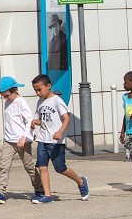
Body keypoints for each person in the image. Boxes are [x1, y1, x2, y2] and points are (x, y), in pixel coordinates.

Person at [29, 73, 89, 203]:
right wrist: (36, 121)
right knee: (42, 166)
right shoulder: (40, 102)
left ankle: (81, 181)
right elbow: (43, 119)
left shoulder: (57, 101)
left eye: (39, 89)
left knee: (60, 168)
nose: (38, 93)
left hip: (56, 141)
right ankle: (48, 195)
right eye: (35, 90)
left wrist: (60, 132)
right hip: (42, 139)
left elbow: (66, 118)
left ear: (48, 86)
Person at [0, 76, 42, 204]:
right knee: (4, 166)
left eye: (7, 95)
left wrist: (24, 137)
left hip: (22, 141)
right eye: (4, 96)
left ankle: (39, 189)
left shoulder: (21, 102)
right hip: (9, 140)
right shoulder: (7, 102)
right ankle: (0, 192)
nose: (6, 98)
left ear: (15, 90)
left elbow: (29, 121)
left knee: (29, 166)